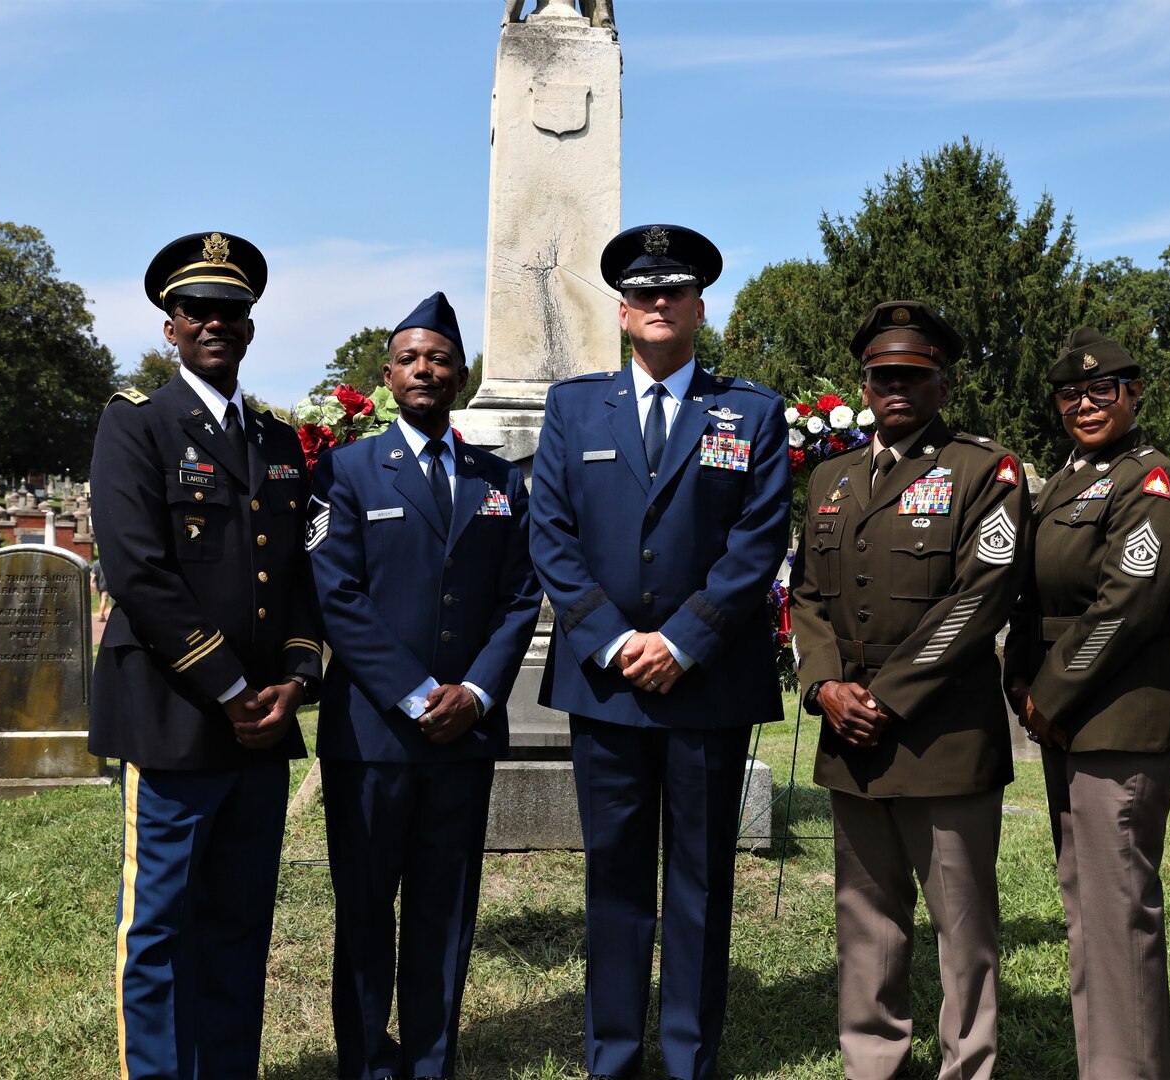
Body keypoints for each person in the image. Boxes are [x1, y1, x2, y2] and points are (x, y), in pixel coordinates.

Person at [528, 224, 791, 1080]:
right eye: (642, 293)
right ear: (622, 309)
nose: (657, 304)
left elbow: (757, 540)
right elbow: (553, 537)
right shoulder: (573, 408)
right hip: (606, 689)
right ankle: (612, 1056)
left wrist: (683, 640)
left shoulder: (749, 412)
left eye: (672, 290)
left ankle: (686, 1059)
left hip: (706, 684)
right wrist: (612, 640)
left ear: (698, 306)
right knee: (612, 878)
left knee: (700, 881)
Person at [89, 231, 322, 1078]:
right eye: (197, 310)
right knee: (159, 924)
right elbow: (137, 571)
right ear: (170, 325)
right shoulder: (137, 425)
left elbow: (299, 576)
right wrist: (229, 686)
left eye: (231, 310)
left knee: (238, 921)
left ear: (251, 327)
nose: (214, 323)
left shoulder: (280, 442)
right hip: (177, 715)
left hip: (262, 722)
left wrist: (294, 680)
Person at [790, 301, 1028, 1080]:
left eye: (911, 375)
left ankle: (968, 1066)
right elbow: (808, 597)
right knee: (865, 919)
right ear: (863, 381)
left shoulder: (981, 470)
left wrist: (884, 697)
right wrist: (823, 683)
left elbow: (978, 598)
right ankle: (873, 1063)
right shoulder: (830, 476)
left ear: (941, 383)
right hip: (846, 731)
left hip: (940, 734)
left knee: (961, 927)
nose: (894, 387)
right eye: (881, 375)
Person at [306, 292, 542, 1080]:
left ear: (460, 371)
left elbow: (518, 594)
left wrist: (475, 691)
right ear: (386, 375)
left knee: (446, 914)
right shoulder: (344, 469)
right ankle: (369, 1061)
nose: (425, 370)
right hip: (372, 737)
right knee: (367, 912)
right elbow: (336, 594)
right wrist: (414, 693)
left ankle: (433, 1060)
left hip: (463, 738)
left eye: (439, 358)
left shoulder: (497, 477)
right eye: (409, 358)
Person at [1003, 328, 1170, 1080]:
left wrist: (1048, 693)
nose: (1084, 404)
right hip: (1065, 719)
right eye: (1069, 394)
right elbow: (1029, 593)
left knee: (1116, 914)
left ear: (1132, 394)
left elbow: (1129, 601)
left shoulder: (1151, 482)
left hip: (1119, 716)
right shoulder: (1063, 482)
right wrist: (1020, 680)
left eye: (1101, 391)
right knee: (1086, 905)